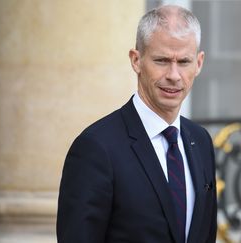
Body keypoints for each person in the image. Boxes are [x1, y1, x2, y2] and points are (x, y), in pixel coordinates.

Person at [57, 4, 217, 243]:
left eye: (184, 62)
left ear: (199, 63)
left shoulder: (201, 141)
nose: (174, 75)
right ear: (136, 60)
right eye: (162, 60)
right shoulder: (96, 148)